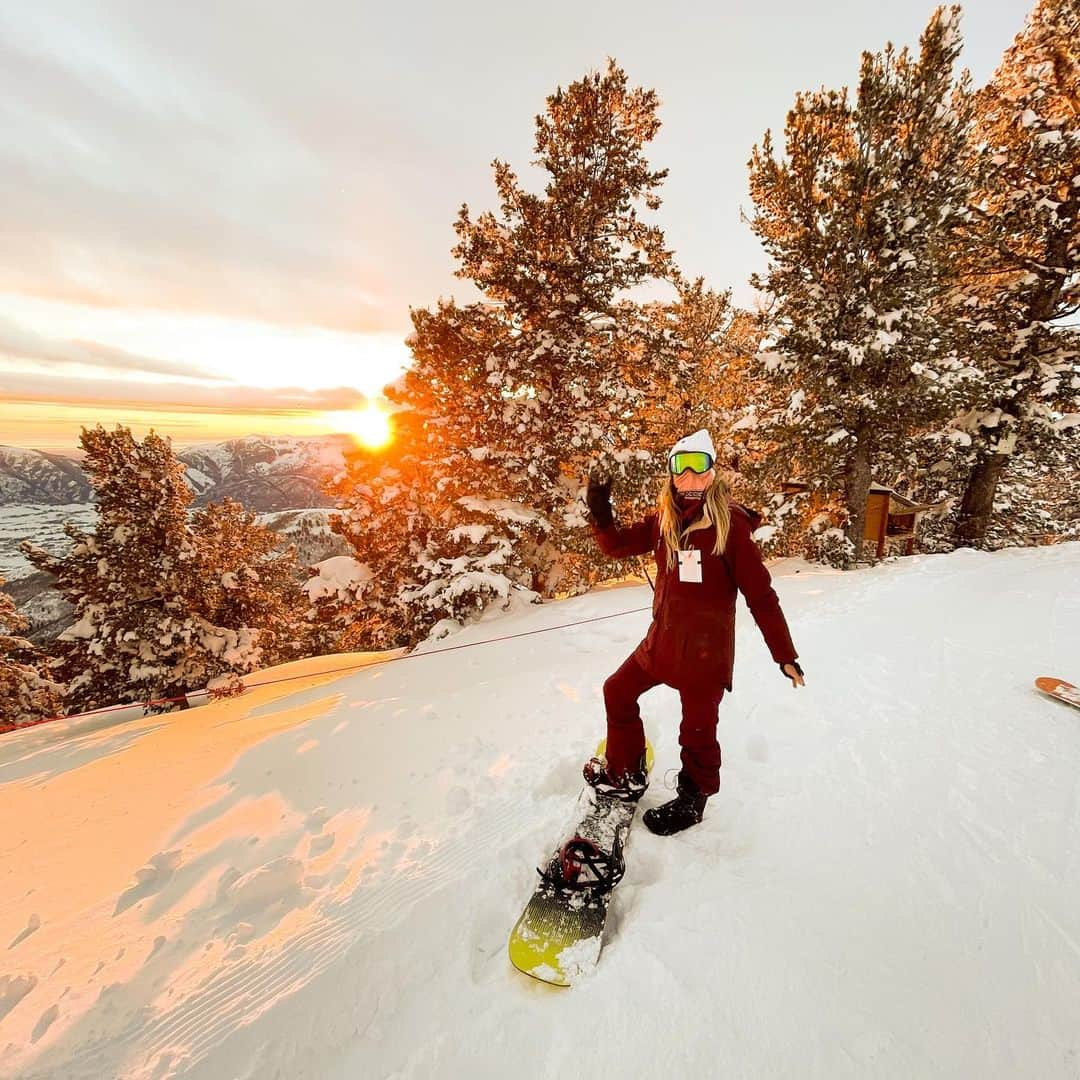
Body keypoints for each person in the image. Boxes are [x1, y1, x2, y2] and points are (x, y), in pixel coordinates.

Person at [584, 429, 804, 836]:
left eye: (698, 467)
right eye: (680, 469)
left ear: (712, 472)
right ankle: (625, 771)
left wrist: (784, 655)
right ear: (671, 475)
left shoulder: (729, 528)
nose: (689, 478)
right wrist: (601, 511)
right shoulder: (663, 522)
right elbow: (615, 545)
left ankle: (692, 800)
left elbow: (762, 596)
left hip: (705, 654)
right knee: (617, 691)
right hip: (662, 643)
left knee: (698, 731)